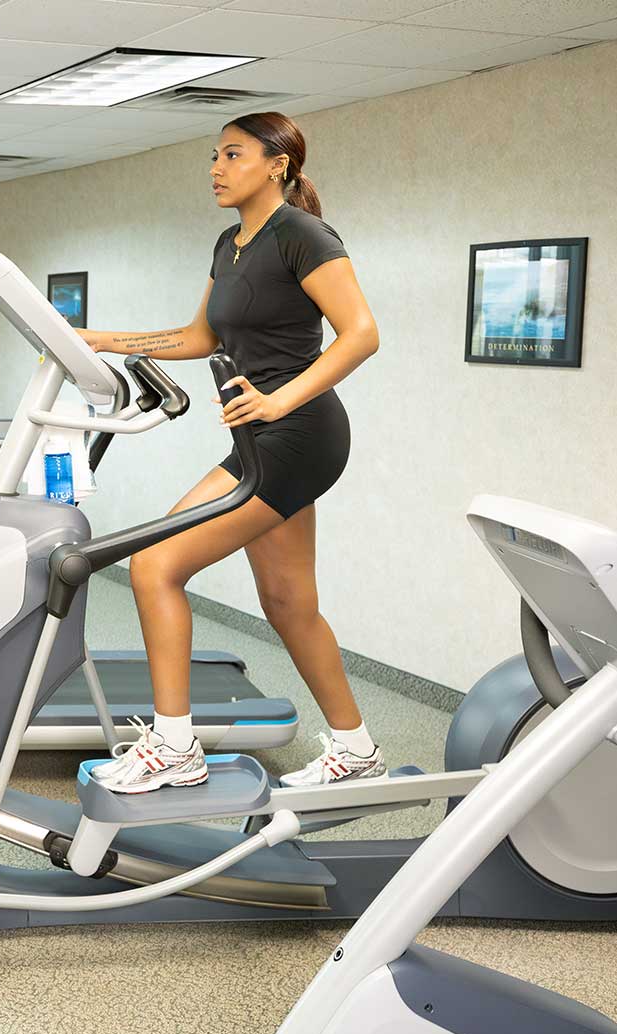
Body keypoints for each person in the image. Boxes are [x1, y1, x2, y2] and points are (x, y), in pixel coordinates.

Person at [79, 111, 382, 793]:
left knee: (154, 567)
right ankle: (356, 749)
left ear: (278, 164)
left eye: (233, 155)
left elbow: (361, 333)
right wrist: (104, 340)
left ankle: (175, 746)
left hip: (297, 434)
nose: (216, 168)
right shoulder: (231, 242)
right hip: (263, 437)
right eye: (214, 156)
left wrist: (280, 400)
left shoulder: (303, 236)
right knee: (287, 600)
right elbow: (196, 338)